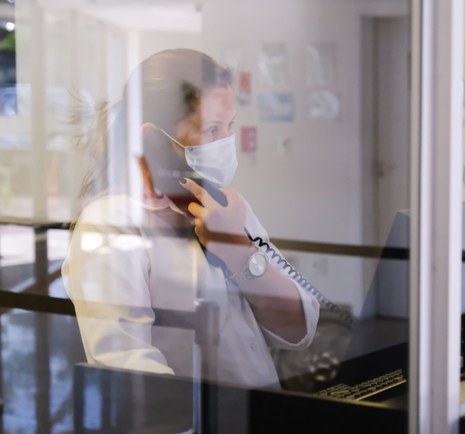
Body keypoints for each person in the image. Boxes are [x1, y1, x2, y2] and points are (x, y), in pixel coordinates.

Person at [62, 48, 320, 389]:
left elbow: (300, 328)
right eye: (211, 130)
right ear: (153, 139)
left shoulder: (226, 206)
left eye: (229, 127)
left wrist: (239, 251)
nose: (226, 144)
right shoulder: (110, 223)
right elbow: (130, 370)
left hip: (260, 410)